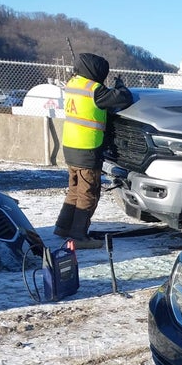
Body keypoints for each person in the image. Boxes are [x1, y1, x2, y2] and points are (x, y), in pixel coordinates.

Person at [53, 53, 132, 249]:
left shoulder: (73, 84)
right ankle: (79, 237)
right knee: (88, 193)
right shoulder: (95, 90)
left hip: (70, 146)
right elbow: (123, 98)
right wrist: (120, 85)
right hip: (87, 148)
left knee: (74, 190)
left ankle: (63, 227)